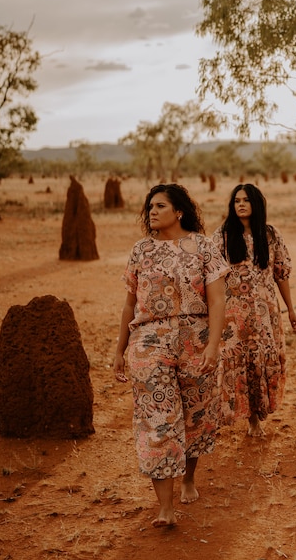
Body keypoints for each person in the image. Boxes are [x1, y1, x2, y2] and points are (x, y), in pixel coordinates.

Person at [113, 183, 228, 528]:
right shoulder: (141, 251)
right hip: (149, 340)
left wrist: (212, 346)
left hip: (196, 338)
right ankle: (165, 507)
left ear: (179, 211)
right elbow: (130, 303)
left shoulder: (204, 247)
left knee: (195, 416)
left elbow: (218, 301)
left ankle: (188, 479)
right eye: (149, 206)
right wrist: (119, 349)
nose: (151, 211)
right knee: (157, 420)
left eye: (159, 206)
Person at [212, 184, 296, 437]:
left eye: (246, 201)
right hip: (232, 317)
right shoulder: (222, 235)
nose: (240, 204)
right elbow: (211, 277)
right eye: (236, 200)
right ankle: (225, 415)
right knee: (233, 364)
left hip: (265, 315)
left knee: (258, 364)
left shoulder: (270, 235)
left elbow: (281, 274)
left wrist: (291, 310)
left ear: (256, 205)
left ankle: (254, 420)